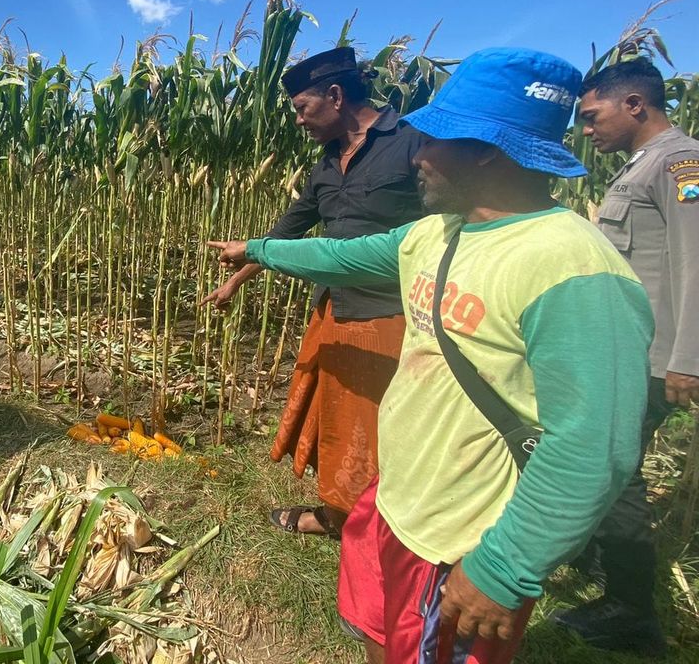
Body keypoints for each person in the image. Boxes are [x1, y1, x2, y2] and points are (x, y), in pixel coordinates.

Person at [209, 47, 653, 663]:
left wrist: (504, 567)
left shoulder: (573, 269)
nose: (416, 154)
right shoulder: (439, 231)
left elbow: (593, 447)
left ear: (486, 150)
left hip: (461, 535)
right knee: (377, 634)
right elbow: (339, 256)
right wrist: (257, 249)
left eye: (434, 140)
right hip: (399, 497)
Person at [201, 47, 424, 538]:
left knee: (385, 427)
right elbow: (286, 234)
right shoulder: (325, 164)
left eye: (303, 108)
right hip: (335, 310)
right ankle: (340, 514)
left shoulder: (412, 143)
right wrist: (235, 280)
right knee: (338, 421)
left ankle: (377, 524)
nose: (299, 120)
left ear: (336, 96)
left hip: (393, 316)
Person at [552, 57, 699, 655]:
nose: (587, 130)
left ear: (635, 104)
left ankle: (630, 612)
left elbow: (695, 260)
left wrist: (688, 357)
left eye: (593, 116)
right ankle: (601, 568)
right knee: (610, 465)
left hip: (654, 356)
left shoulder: (681, 162)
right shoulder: (642, 165)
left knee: (615, 473)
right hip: (628, 349)